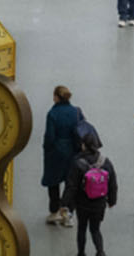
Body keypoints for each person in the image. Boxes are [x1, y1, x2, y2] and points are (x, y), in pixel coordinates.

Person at [66, 126, 118, 256]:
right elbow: (113, 184)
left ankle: (81, 253)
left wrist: (65, 204)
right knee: (95, 230)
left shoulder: (78, 163)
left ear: (83, 146)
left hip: (82, 204)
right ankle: (100, 252)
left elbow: (71, 186)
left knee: (82, 229)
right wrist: (112, 201)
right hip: (99, 203)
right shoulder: (105, 162)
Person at [42, 86, 84, 226]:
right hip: (73, 152)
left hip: (56, 153)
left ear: (56, 97)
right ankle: (67, 214)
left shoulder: (52, 114)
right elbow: (81, 131)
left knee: (53, 182)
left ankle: (54, 212)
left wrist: (47, 149)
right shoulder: (76, 112)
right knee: (70, 184)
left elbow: (50, 137)